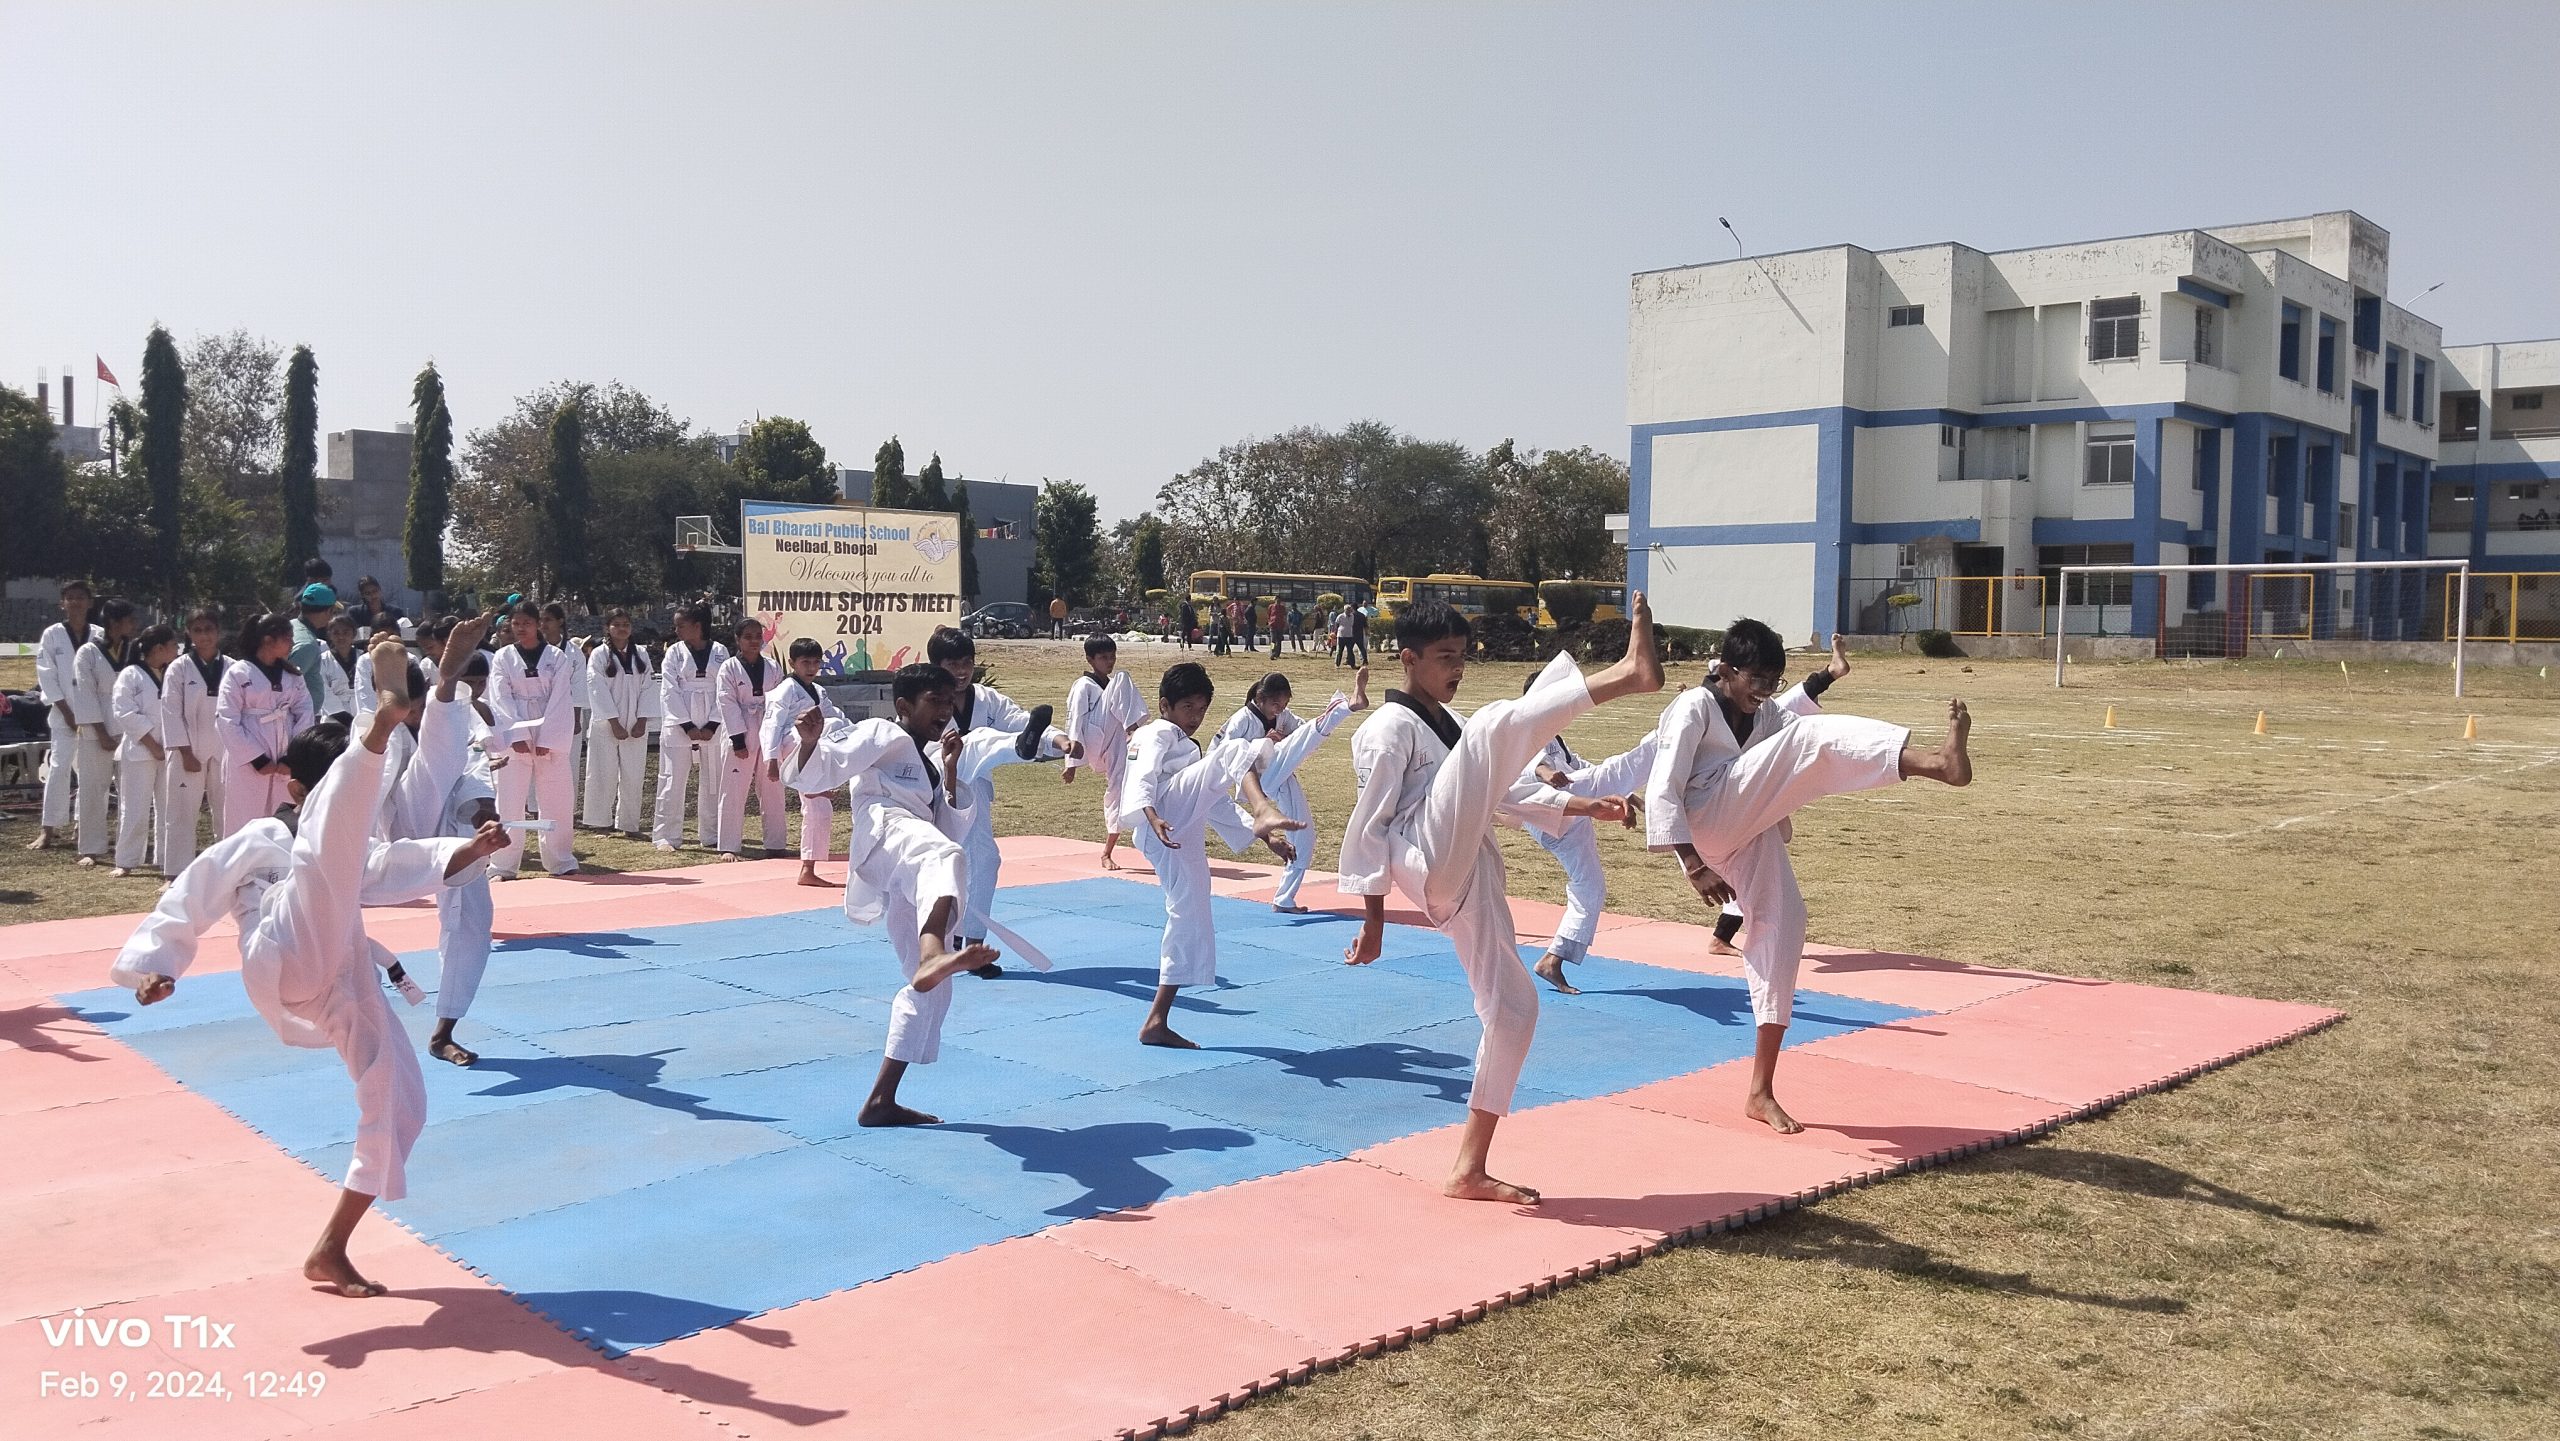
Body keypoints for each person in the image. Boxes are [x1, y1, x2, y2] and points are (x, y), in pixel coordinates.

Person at [111, 644, 508, 1299]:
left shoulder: (348, 854)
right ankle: (376, 728)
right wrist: (156, 964)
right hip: (281, 946)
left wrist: (467, 848)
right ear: (301, 787)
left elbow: (388, 865)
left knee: (402, 1099)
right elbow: (192, 891)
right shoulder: (262, 839)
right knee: (329, 859)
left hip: (333, 979)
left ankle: (330, 1247)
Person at [1338, 595, 1662, 1204]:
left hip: (1466, 873)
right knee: (1493, 729)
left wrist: (1583, 805)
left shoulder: (1449, 730)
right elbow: (1369, 829)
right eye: (1444, 658)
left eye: (1462, 657)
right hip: (1425, 857)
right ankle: (1626, 675)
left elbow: (1502, 788)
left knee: (1515, 1010)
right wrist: (1374, 919)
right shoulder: (1387, 729)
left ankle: (1469, 1167)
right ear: (1407, 660)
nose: (1456, 669)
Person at [1646, 619, 1971, 1135]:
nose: (1763, 691)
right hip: (1703, 815)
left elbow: (1792, 712)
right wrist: (1691, 864)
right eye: (1755, 679)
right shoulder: (1692, 708)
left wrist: (1825, 677)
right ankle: (1935, 764)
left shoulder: (1766, 710)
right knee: (1810, 740)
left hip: (1745, 827)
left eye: (1772, 680)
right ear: (1726, 670)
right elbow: (1663, 788)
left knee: (1784, 925)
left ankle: (1760, 1090)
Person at [778, 665, 1026, 1127]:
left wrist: (949, 772)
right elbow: (824, 769)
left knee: (931, 990)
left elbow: (946, 824)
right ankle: (936, 951)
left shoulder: (930, 764)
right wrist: (811, 743)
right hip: (885, 832)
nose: (945, 710)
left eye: (950, 702)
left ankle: (881, 1100)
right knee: (944, 855)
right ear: (904, 706)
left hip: (911, 865)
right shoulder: (879, 733)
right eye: (935, 700)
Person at [1125, 661, 1305, 1049]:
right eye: (1188, 707)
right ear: (1164, 706)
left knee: (1191, 911)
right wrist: (1152, 814)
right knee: (1235, 749)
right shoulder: (1155, 732)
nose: (1196, 717)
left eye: (1202, 709)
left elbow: (1214, 802)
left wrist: (1266, 841)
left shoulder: (1188, 747)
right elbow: (1140, 777)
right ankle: (1262, 807)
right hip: (1160, 816)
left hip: (1176, 826)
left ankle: (1157, 1019)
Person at [373, 614, 504, 1068]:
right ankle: (448, 680)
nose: (408, 711)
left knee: (473, 925)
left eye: (414, 702)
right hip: (400, 829)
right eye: (401, 701)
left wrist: (483, 807)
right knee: (430, 763)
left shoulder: (450, 722)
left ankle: (444, 1030)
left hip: (456, 833)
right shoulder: (366, 732)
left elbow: (471, 760)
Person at [927, 626, 1064, 972]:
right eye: (952, 664)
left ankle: (972, 945)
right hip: (932, 786)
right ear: (936, 665)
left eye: (967, 664)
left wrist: (1059, 740)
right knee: (974, 743)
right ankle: (939, 942)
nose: (961, 672)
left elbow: (1019, 719)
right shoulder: (924, 698)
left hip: (971, 789)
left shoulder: (987, 699)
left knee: (985, 862)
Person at [1214, 668, 1370, 913]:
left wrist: (1281, 738)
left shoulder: (1283, 716)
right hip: (1255, 777)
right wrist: (1264, 741)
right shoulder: (1242, 718)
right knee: (1287, 742)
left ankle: (1284, 899)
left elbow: (1303, 731)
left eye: (1283, 704)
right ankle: (1344, 705)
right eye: (1275, 704)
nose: (1279, 709)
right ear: (1260, 698)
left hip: (1279, 774)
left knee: (1304, 835)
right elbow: (1224, 755)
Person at [486, 600, 579, 878]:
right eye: (516, 623)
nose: (521, 628)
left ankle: (561, 860)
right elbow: (499, 698)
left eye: (527, 623)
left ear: (538, 624)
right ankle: (503, 863)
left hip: (550, 729)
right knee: (510, 800)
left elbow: (562, 698)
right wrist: (515, 734)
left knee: (557, 799)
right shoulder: (503, 657)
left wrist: (548, 737)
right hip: (516, 728)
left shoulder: (556, 656)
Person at [217, 614, 317, 838]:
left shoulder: (293, 675)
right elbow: (226, 718)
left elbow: (305, 712)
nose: (292, 643)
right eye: (287, 638)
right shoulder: (238, 672)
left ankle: (279, 870)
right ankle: (241, 872)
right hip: (248, 755)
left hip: (284, 749)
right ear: (268, 640)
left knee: (282, 819)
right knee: (244, 818)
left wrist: (291, 756)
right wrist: (257, 758)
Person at [1061, 634, 1149, 872]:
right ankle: (1132, 727)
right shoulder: (1083, 686)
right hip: (1092, 741)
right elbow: (1075, 719)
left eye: (1112, 657)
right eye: (1103, 658)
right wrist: (1071, 762)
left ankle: (1107, 852)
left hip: (1112, 740)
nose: (1109, 662)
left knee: (1118, 790)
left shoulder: (1112, 691)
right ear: (1090, 660)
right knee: (1122, 677)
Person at [62, 598, 139, 865]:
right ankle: (91, 848)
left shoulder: (135, 649)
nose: (134, 625)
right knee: (94, 788)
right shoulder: (88, 652)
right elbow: (84, 695)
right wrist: (102, 732)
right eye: (130, 619)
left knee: (131, 791)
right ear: (115, 622)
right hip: (97, 729)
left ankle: (127, 848)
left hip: (131, 728)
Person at [761, 637, 842, 887]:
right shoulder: (785, 689)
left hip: (810, 748)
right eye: (805, 662)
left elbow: (833, 716)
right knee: (816, 805)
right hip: (791, 743)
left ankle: (808, 869)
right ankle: (819, 783)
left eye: (816, 662)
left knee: (819, 809)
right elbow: (771, 723)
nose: (811, 667)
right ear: (792, 663)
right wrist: (771, 759)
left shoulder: (818, 691)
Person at [29, 579, 100, 853]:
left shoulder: (100, 635)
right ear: (62, 603)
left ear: (90, 602)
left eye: (80, 597)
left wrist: (93, 714)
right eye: (70, 598)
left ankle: (84, 824)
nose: (75, 602)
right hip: (62, 713)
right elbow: (46, 676)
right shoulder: (52, 634)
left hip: (93, 714)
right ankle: (48, 829)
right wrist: (66, 711)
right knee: (59, 769)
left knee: (90, 771)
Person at [653, 603, 731, 851]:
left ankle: (712, 833)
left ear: (697, 626)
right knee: (672, 779)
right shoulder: (674, 653)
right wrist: (686, 724)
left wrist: (712, 723)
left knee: (713, 780)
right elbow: (669, 691)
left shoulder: (720, 652)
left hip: (713, 721)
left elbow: (726, 689)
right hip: (679, 722)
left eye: (681, 625)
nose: (676, 630)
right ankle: (667, 835)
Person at [159, 608, 229, 876]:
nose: (204, 635)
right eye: (197, 630)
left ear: (218, 632)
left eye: (209, 629)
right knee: (180, 812)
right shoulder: (179, 667)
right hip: (187, 749)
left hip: (223, 748)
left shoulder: (233, 667)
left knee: (225, 811)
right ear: (188, 633)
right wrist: (185, 752)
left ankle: (225, 870)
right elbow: (170, 711)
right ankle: (175, 872)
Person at [109, 624, 178, 877]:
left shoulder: (175, 672)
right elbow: (123, 711)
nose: (177, 649)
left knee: (168, 806)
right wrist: (152, 744)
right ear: (159, 648)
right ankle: (126, 860)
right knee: (134, 806)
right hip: (140, 750)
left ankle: (164, 857)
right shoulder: (131, 674)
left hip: (171, 749)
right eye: (173, 644)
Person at [714, 617, 787, 858]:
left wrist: (777, 735)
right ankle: (728, 845)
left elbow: (779, 702)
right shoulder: (729, 668)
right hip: (741, 728)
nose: (755, 641)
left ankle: (776, 843)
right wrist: (738, 739)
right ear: (737, 639)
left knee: (772, 786)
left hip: (767, 725)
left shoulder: (773, 667)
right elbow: (726, 702)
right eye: (748, 637)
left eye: (758, 636)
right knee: (734, 788)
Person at [582, 608, 656, 840]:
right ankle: (599, 821)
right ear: (607, 628)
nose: (622, 628)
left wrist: (642, 720)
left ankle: (629, 823)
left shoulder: (641, 654)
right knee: (603, 771)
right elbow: (597, 689)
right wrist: (613, 722)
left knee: (634, 773)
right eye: (617, 624)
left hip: (635, 721)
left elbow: (649, 688)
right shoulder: (599, 655)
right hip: (606, 723)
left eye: (626, 624)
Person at [541, 603, 589, 813]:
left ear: (560, 622)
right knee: (539, 759)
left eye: (548, 620)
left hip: (568, 713)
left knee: (568, 761)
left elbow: (579, 685)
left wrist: (577, 717)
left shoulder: (574, 652)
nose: (543, 625)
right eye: (541, 620)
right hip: (540, 710)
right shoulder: (534, 648)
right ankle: (537, 806)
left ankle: (566, 808)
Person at [312, 614, 361, 727]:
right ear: (329, 635)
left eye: (345, 632)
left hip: (360, 712)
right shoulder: (322, 660)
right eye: (336, 633)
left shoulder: (363, 658)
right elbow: (323, 690)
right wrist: (343, 717)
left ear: (353, 634)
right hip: (332, 718)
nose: (341, 637)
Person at [288, 583, 339, 691]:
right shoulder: (307, 645)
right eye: (333, 612)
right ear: (328, 611)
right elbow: (288, 687)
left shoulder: (291, 625)